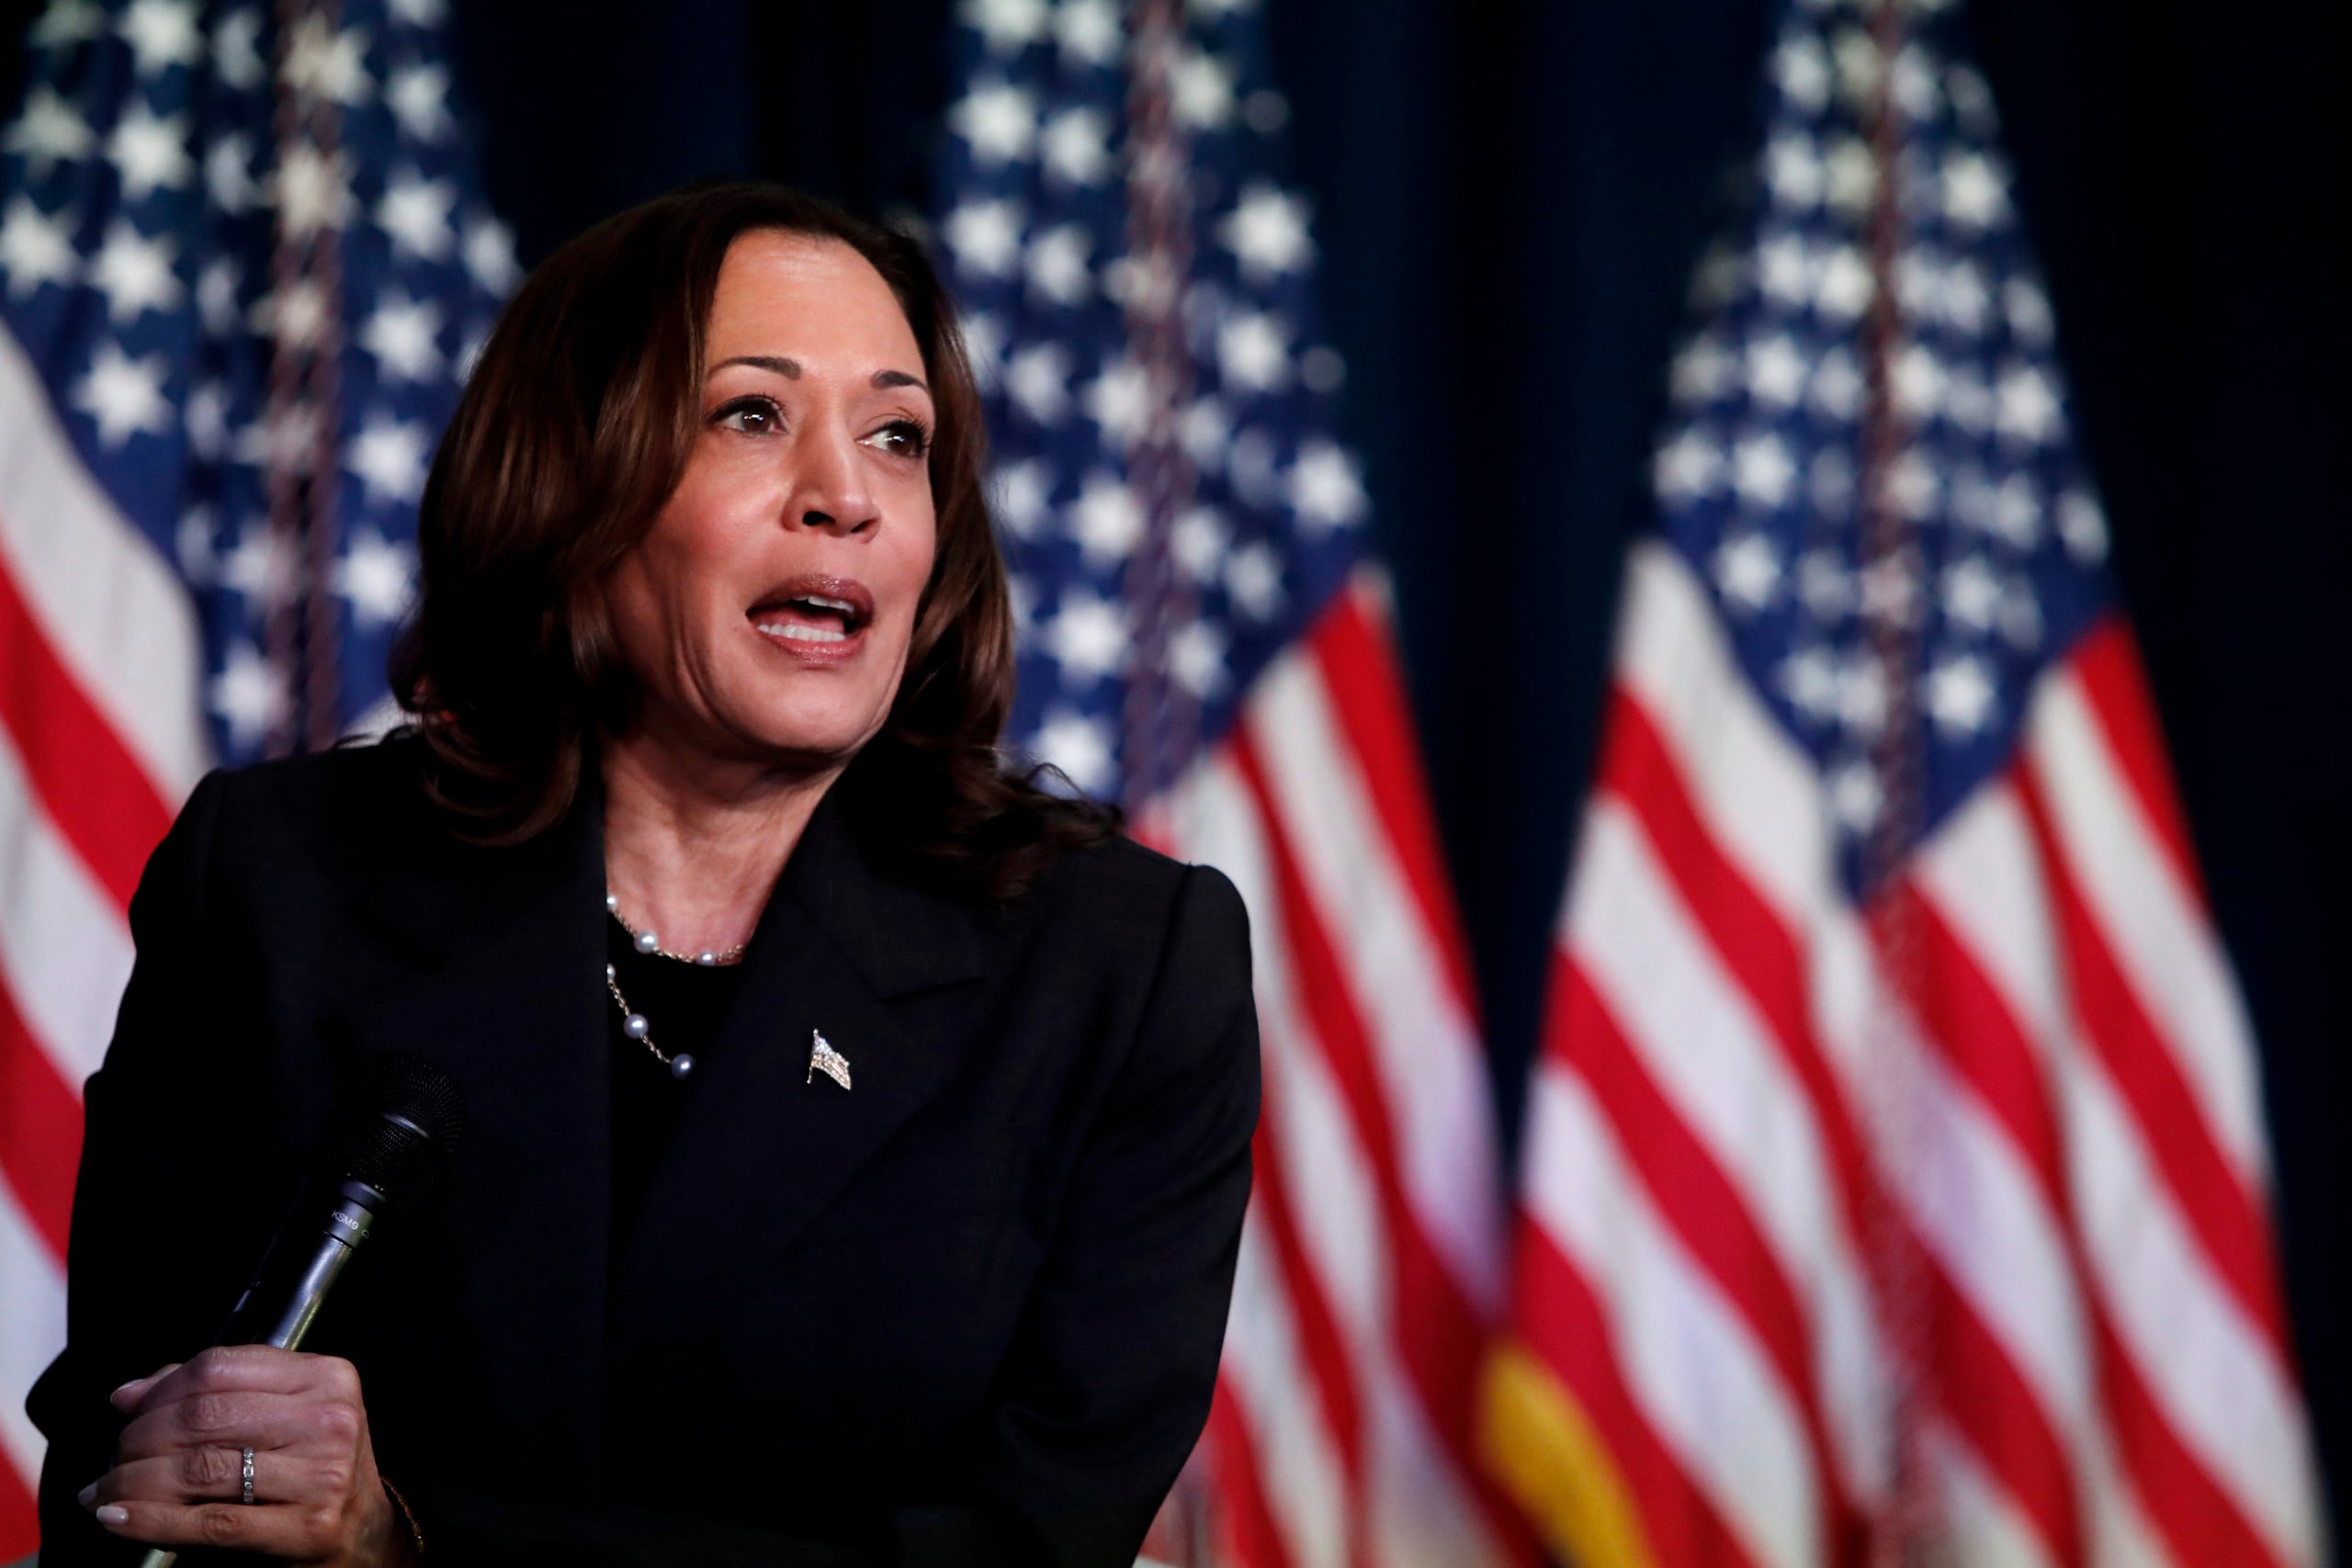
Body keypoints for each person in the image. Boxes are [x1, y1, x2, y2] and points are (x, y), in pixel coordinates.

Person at [29, 183, 1260, 1567]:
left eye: (899, 438)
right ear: (570, 478)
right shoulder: (275, 888)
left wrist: (408, 1545)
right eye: (751, 415)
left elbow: (1031, 1548)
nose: (845, 497)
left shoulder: (1122, 966)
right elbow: (120, 1477)